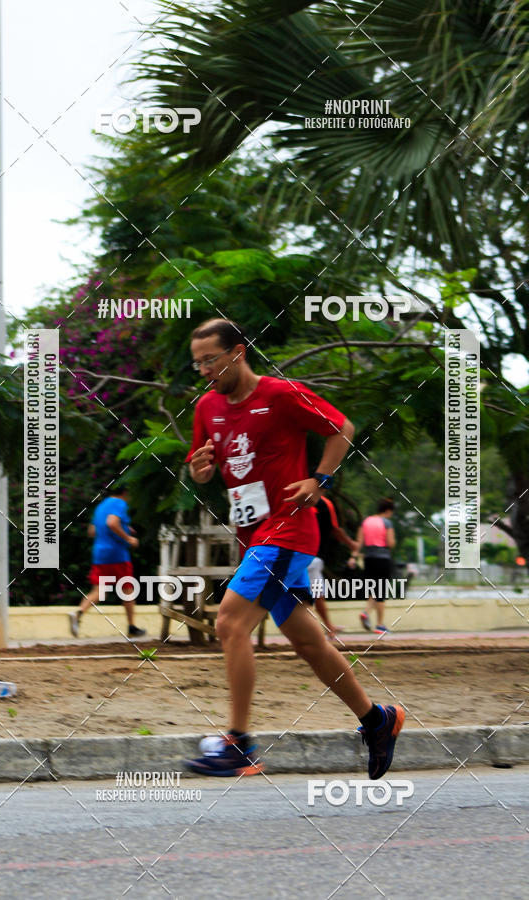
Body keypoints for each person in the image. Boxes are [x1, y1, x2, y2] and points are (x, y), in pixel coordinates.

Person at [184, 318, 404, 778]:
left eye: (210, 360)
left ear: (237, 353)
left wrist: (320, 480)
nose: (203, 370)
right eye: (197, 362)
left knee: (229, 622)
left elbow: (341, 427)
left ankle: (238, 743)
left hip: (287, 530)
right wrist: (199, 470)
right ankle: (376, 720)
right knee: (307, 642)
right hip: (253, 534)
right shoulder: (207, 406)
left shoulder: (281, 395)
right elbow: (203, 466)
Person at [69, 486, 146, 639]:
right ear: (125, 492)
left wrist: (124, 528)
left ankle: (78, 613)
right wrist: (128, 538)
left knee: (100, 590)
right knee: (127, 588)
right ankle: (131, 626)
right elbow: (112, 523)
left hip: (100, 554)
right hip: (117, 554)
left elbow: (92, 531)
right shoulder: (119, 503)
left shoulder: (101, 506)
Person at [309, 495, 359, 639]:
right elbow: (335, 530)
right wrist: (351, 544)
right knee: (317, 595)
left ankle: (328, 627)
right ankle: (325, 629)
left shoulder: (292, 497)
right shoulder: (324, 502)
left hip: (292, 554)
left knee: (307, 595)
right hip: (311, 557)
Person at [358, 498, 396, 634]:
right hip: (382, 559)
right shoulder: (387, 522)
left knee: (374, 589)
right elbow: (390, 543)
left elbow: (359, 542)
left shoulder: (366, 521)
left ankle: (366, 612)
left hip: (368, 559)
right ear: (388, 510)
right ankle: (380, 625)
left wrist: (353, 556)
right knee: (381, 592)